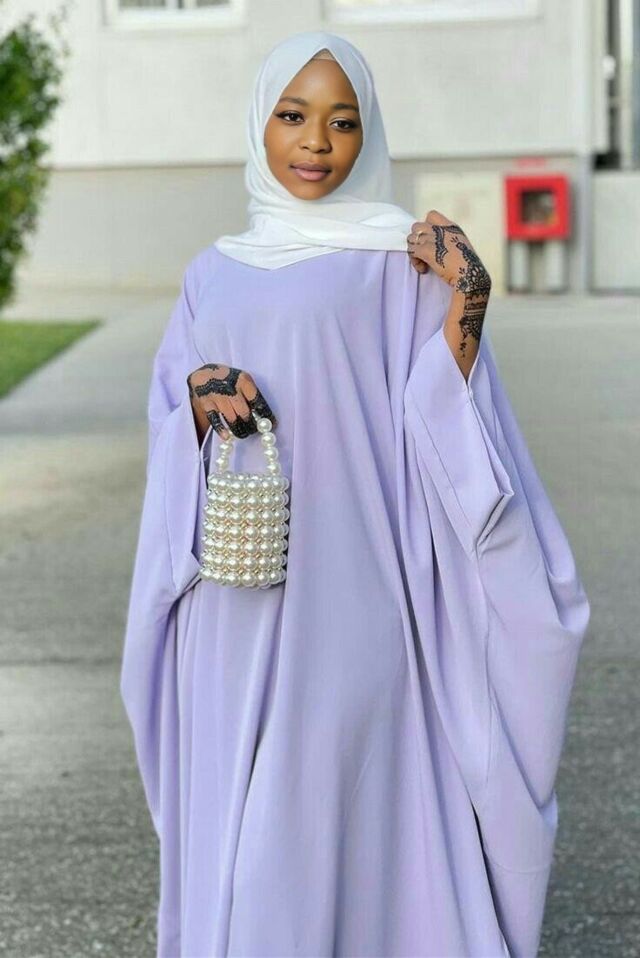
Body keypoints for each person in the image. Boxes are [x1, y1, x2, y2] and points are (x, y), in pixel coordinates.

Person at [120, 30, 591, 958]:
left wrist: (467, 300)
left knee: (322, 802)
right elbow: (169, 424)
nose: (316, 142)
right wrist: (198, 403)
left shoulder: (395, 261)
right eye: (293, 116)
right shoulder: (211, 271)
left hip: (355, 592)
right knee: (252, 823)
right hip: (237, 600)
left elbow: (444, 424)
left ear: (367, 134)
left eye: (343, 122)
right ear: (260, 123)